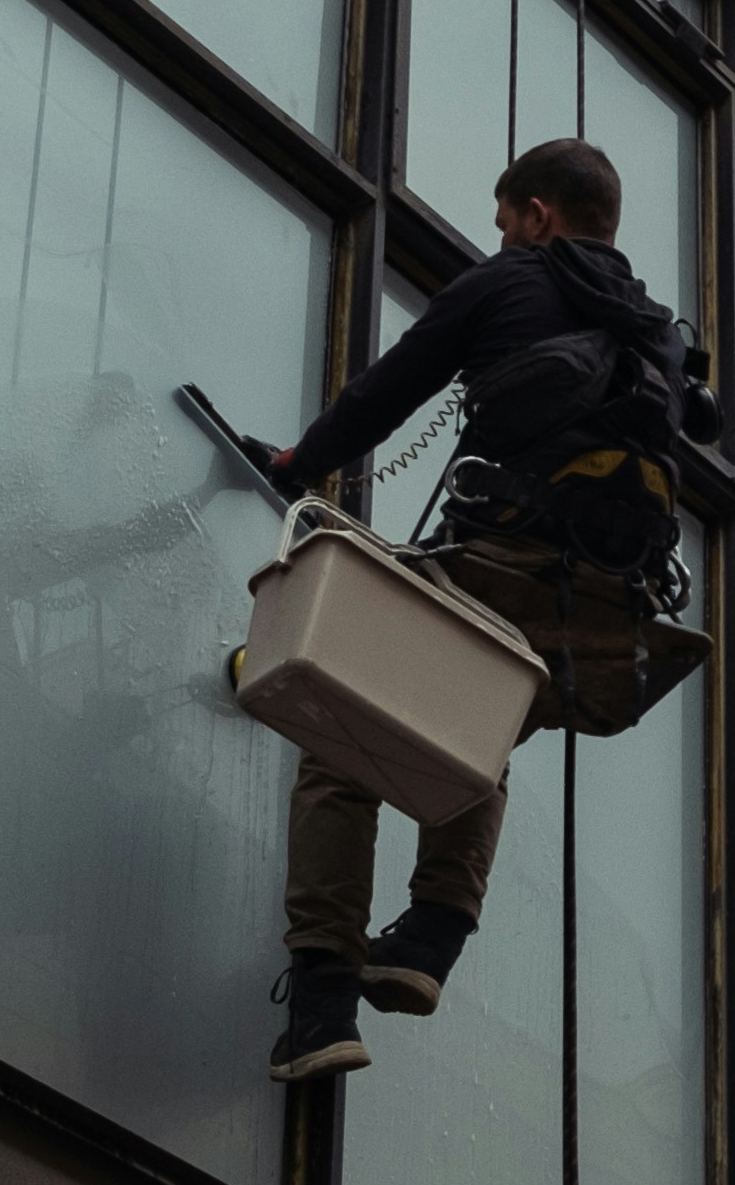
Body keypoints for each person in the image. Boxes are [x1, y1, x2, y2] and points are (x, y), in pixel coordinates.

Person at [226, 138, 703, 1084]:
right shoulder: (662, 336)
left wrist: (296, 467)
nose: (501, 236)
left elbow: (386, 391)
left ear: (538, 214)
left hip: (504, 560)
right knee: (480, 723)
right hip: (607, 608)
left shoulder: (510, 281)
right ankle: (432, 936)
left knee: (340, 741)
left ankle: (321, 1001)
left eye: (503, 219)